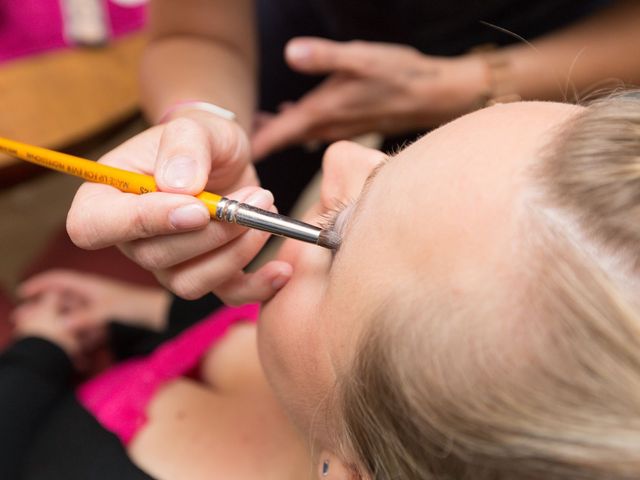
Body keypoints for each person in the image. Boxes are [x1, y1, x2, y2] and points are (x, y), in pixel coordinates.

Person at [5, 92, 640, 478]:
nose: (339, 152)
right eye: (393, 156)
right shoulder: (319, 354)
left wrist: (40, 352)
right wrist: (136, 311)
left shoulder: (65, 464)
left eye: (335, 234)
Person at [66, 0, 640, 309]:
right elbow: (194, 33)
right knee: (212, 268)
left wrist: (469, 82)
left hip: (574, 43)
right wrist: (201, 120)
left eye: (343, 216)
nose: (341, 152)